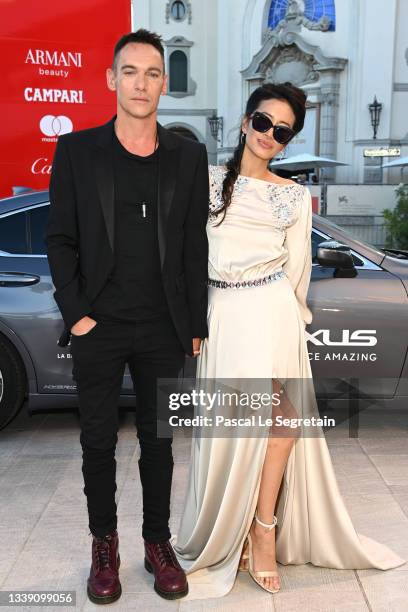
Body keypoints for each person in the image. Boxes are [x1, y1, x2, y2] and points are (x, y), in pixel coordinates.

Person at [173, 82, 406, 600]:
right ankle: (229, 532)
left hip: (274, 312)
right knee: (238, 431)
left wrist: (291, 318)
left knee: (283, 424)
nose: (269, 136)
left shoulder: (294, 196)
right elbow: (183, 253)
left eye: (282, 131)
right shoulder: (205, 183)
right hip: (225, 316)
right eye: (262, 122)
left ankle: (263, 528)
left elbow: (298, 269)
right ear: (244, 122)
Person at [45, 29, 209, 603]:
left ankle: (157, 543)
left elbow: (193, 244)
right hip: (100, 325)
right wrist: (79, 314)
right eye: (131, 71)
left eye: (153, 73)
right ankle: (104, 545)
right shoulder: (78, 151)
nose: (142, 83)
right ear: (112, 80)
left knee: (160, 443)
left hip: (164, 325)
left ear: (165, 83)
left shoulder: (188, 155)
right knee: (97, 441)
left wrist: (195, 322)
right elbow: (60, 240)